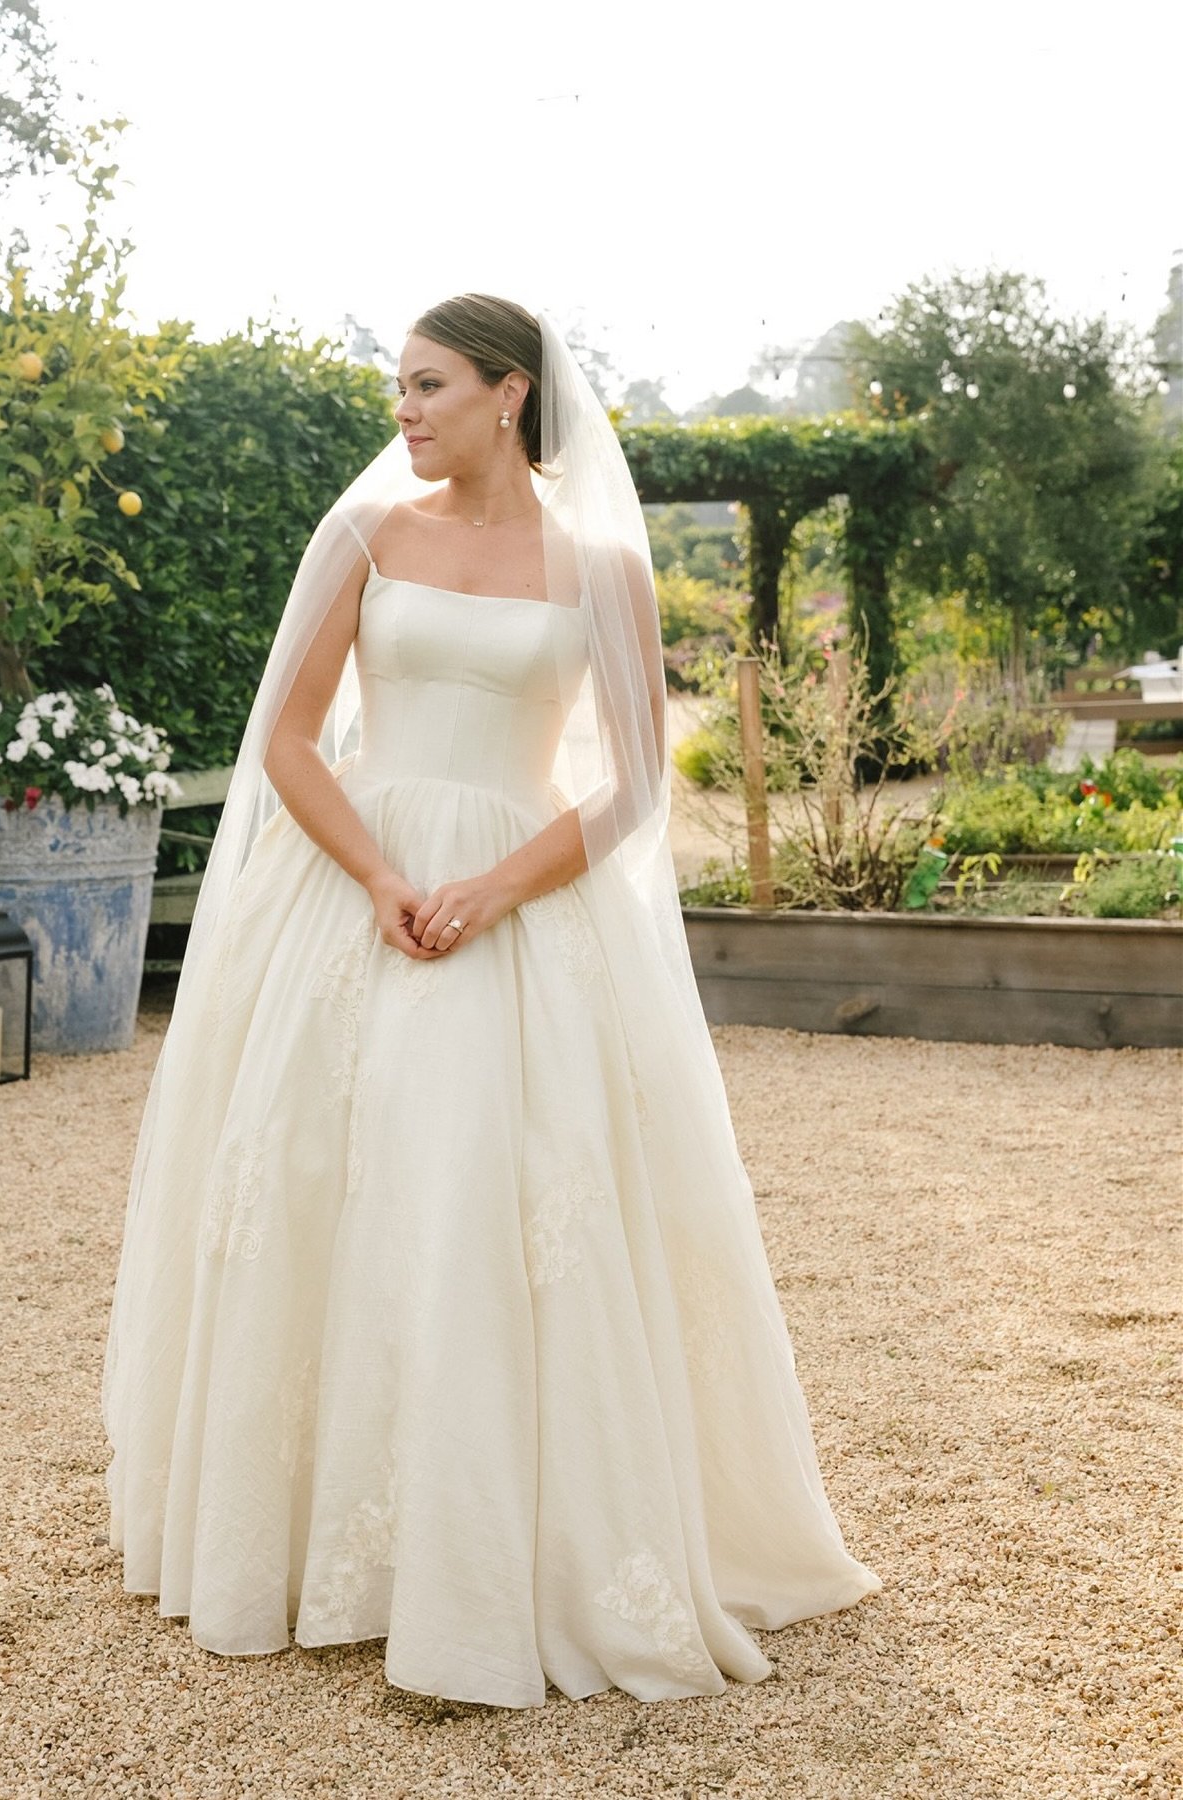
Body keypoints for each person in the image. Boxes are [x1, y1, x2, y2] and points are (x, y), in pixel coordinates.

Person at [101, 293, 880, 1709]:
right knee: (327, 1185)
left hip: (520, 905)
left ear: (509, 393)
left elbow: (637, 785)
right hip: (355, 892)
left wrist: (496, 889)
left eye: (429, 385)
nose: (403, 411)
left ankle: (489, 1558)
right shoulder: (366, 537)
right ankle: (309, 1543)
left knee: (480, 1195)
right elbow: (284, 737)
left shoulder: (601, 570)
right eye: (397, 388)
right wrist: (390, 878)